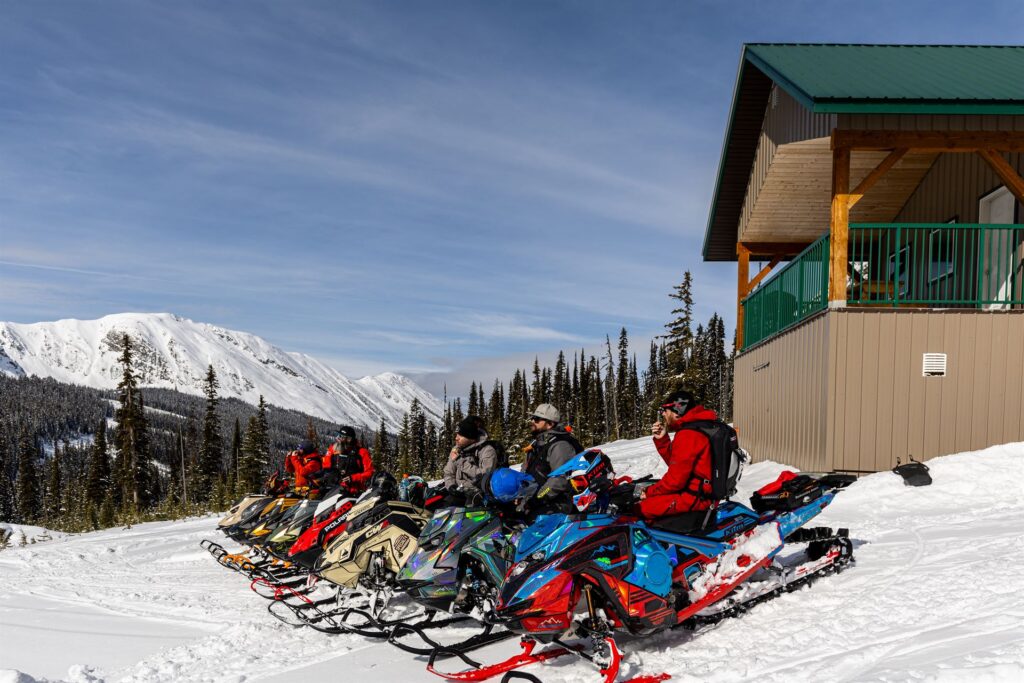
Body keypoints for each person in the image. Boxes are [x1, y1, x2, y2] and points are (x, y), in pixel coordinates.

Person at [637, 388, 720, 520]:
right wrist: (663, 441)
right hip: (703, 493)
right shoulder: (702, 427)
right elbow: (679, 465)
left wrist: (648, 492)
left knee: (640, 508)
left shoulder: (689, 434)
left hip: (694, 498)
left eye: (666, 410)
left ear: (677, 411)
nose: (663, 414)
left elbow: (675, 481)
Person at [441, 416, 501, 505]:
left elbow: (485, 477)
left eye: (460, 435)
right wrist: (451, 486)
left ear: (470, 437)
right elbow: (448, 472)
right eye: (457, 434)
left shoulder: (487, 450)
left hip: (478, 495)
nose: (456, 438)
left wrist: (460, 461)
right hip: (458, 492)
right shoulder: (456, 449)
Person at [522, 403, 582, 483]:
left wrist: (540, 495)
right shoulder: (536, 444)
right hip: (530, 492)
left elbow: (561, 479)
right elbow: (524, 471)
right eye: (532, 418)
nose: (532, 421)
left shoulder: (560, 445)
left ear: (550, 424)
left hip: (552, 494)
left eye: (537, 419)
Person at [320, 426, 374, 495]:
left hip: (354, 491)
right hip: (333, 489)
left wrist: (353, 477)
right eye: (340, 436)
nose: (341, 439)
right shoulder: (333, 449)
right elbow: (326, 467)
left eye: (344, 437)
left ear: (350, 439)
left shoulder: (362, 452)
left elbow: (369, 472)